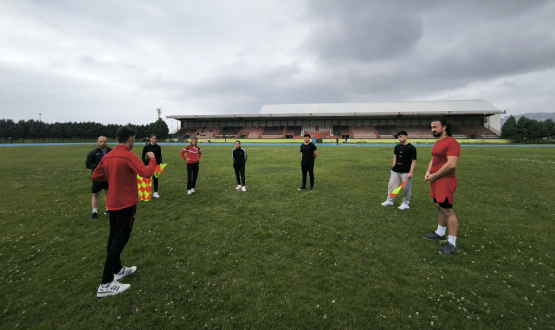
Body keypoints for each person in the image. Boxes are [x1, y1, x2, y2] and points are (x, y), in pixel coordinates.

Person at [92, 127, 157, 297]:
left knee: (113, 237)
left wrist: (114, 176)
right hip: (126, 203)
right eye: (134, 138)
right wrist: (152, 159)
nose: (134, 141)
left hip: (112, 203)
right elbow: (146, 174)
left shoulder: (108, 155)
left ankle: (118, 269)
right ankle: (106, 283)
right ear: (130, 139)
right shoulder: (128, 155)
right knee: (120, 239)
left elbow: (96, 175)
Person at [422, 119, 461, 255]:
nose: (432, 129)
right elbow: (434, 159)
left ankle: (452, 243)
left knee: (447, 210)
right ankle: (440, 233)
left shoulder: (452, 143)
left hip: (445, 180)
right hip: (436, 179)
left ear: (444, 127)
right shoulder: (439, 142)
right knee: (439, 206)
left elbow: (451, 164)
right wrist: (428, 171)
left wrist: (435, 175)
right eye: (431, 127)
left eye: (435, 127)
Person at [381, 131, 417, 210]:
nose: (399, 138)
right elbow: (395, 157)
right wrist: (394, 166)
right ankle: (390, 200)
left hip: (406, 171)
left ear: (406, 137)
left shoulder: (411, 148)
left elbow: (414, 161)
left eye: (401, 136)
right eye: (398, 137)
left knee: (406, 188)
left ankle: (406, 203)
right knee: (392, 186)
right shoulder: (397, 147)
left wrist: (411, 172)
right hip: (396, 171)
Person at [86, 136, 112, 220]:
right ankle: (94, 212)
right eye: (101, 141)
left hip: (108, 176)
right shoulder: (93, 153)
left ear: (107, 142)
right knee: (96, 194)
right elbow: (88, 164)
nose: (102, 143)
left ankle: (107, 209)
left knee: (108, 193)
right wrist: (99, 166)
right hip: (97, 177)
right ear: (97, 142)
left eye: (104, 141)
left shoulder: (112, 151)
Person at [142, 134, 163, 198]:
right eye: (153, 138)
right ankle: (147, 192)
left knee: (155, 178)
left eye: (155, 138)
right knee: (148, 178)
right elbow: (143, 156)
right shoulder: (146, 147)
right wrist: (145, 164)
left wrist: (160, 163)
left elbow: (160, 156)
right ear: (150, 139)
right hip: (149, 164)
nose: (154, 139)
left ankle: (155, 192)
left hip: (156, 164)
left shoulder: (158, 147)